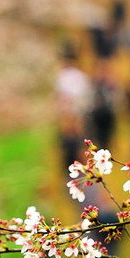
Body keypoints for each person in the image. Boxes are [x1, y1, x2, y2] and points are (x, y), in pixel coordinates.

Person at [54, 44, 93, 176]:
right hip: (77, 116)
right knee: (75, 146)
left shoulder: (63, 77)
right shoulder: (80, 77)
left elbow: (60, 99)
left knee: (72, 147)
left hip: (73, 117)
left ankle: (71, 171)